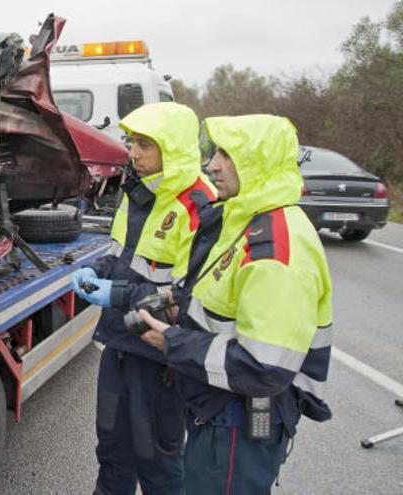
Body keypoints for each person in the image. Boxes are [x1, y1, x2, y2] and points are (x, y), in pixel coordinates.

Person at [137, 114, 333, 494]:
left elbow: (264, 367)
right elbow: (223, 302)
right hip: (220, 412)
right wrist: (180, 309)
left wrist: (172, 342)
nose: (212, 165)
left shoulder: (275, 252)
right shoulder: (247, 220)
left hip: (240, 422)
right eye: (215, 153)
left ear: (257, 161)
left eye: (227, 154)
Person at [70, 102, 216, 495]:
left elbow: (188, 296)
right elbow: (120, 252)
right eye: (132, 143)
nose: (132, 154)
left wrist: (115, 293)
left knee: (158, 461)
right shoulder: (138, 192)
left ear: (172, 149)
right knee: (113, 452)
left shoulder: (200, 205)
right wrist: (96, 272)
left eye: (144, 145)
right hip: (120, 344)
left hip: (161, 356)